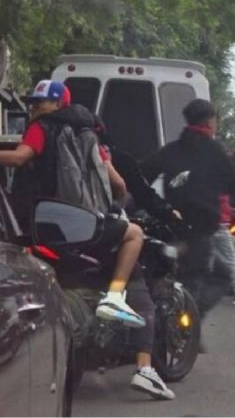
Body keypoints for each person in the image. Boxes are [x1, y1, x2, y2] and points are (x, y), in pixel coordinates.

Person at [1, 80, 146, 328]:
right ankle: (114, 296)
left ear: (57, 104)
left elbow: (19, 157)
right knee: (134, 233)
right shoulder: (89, 135)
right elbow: (119, 184)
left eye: (39, 103)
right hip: (82, 221)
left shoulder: (41, 127)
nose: (33, 110)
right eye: (32, 104)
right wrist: (113, 206)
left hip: (39, 222)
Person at [142, 99, 235, 321]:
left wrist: (153, 205)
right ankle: (186, 325)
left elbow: (141, 175)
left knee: (178, 275)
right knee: (212, 277)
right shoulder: (214, 151)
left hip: (170, 226)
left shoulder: (172, 149)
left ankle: (179, 321)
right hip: (200, 229)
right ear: (210, 121)